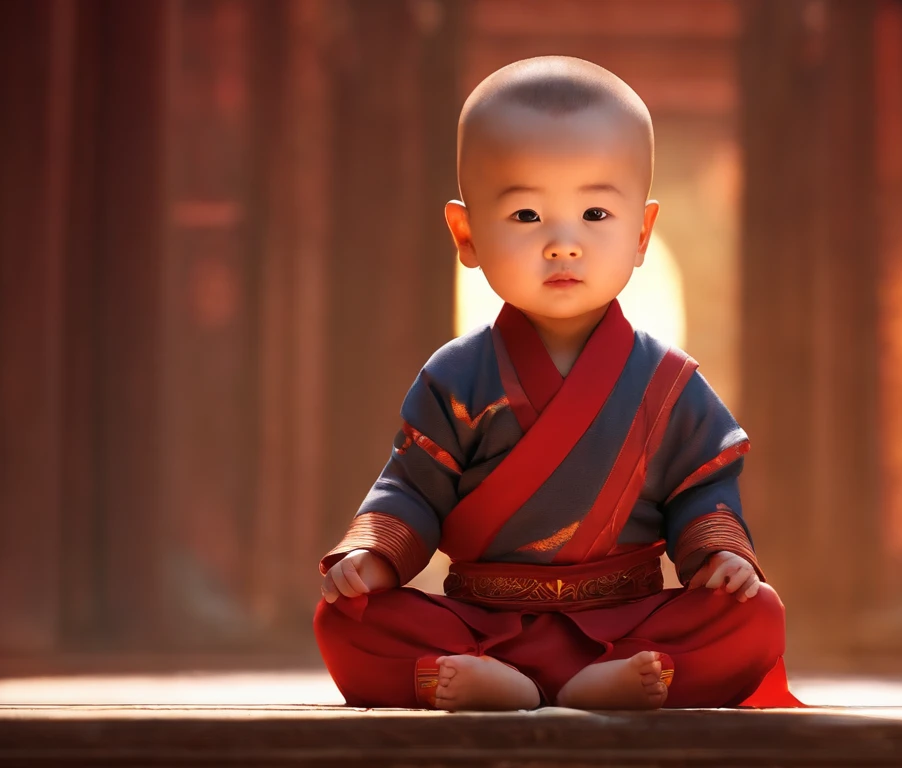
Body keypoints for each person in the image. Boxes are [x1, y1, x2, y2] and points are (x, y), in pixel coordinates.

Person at [314, 56, 801, 711]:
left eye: (596, 213)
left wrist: (718, 559)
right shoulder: (455, 376)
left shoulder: (668, 383)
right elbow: (412, 493)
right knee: (347, 619)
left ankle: (584, 681)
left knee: (755, 616)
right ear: (466, 235)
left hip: (624, 622)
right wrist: (372, 559)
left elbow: (702, 494)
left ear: (642, 233)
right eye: (525, 217)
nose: (563, 244)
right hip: (481, 622)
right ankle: (500, 681)